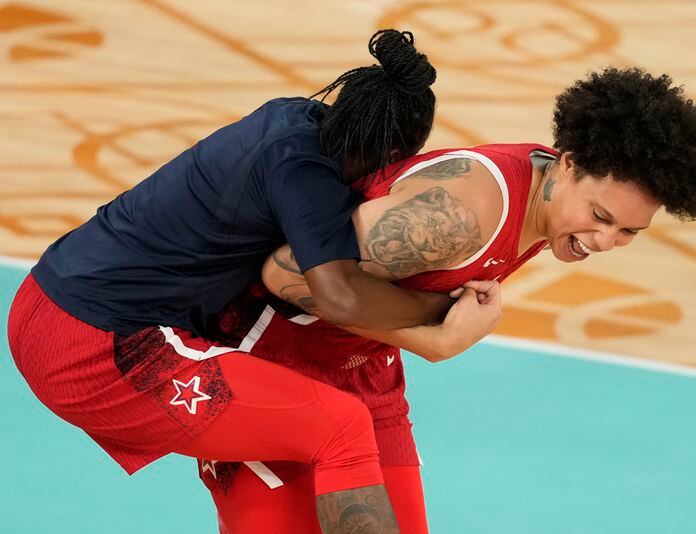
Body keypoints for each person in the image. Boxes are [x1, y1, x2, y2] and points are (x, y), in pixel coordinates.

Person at [6, 29, 497, 534]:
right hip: (97, 344)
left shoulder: (289, 117)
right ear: (394, 153)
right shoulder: (307, 179)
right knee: (343, 428)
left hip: (42, 300)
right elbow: (341, 296)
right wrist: (442, 311)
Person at [195, 67, 696, 533]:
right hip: (271, 365)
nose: (605, 241)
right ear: (566, 164)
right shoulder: (461, 214)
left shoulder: (557, 204)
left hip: (364, 375)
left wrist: (427, 332)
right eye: (602, 218)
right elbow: (286, 276)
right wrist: (436, 336)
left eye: (630, 231)